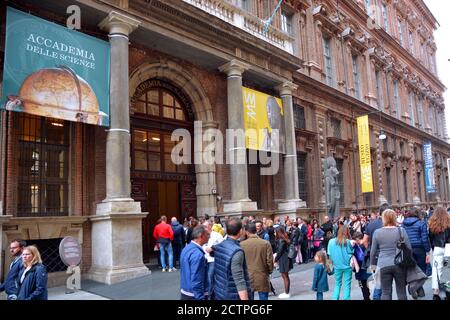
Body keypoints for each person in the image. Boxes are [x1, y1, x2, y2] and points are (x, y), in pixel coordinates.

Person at [370, 209, 410, 300]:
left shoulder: (377, 232)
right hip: (399, 263)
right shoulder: (401, 231)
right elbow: (409, 248)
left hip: (383, 264)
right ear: (394, 218)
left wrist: (373, 267)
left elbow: (373, 252)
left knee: (386, 292)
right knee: (401, 291)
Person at [213, 217, 252, 300]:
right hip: (233, 295)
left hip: (220, 292)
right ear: (241, 231)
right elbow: (239, 280)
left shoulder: (219, 245)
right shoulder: (237, 252)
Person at [362, 202, 390, 300]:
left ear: (379, 212)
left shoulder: (371, 224)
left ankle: (377, 296)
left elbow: (365, 241)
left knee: (377, 281)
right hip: (387, 257)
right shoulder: (389, 224)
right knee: (385, 283)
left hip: (373, 257)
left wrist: (370, 249)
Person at [241, 222, 273, 300]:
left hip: (248, 276)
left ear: (247, 232)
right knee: (263, 297)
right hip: (262, 274)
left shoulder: (241, 245)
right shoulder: (265, 243)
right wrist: (269, 271)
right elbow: (269, 261)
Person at [180, 225, 210, 300]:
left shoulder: (186, 248)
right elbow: (197, 279)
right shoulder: (198, 255)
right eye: (207, 234)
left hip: (185, 291)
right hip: (194, 295)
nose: (209, 236)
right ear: (201, 236)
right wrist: (200, 298)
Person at [428, 206, 450, 300]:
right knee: (447, 270)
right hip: (448, 247)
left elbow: (430, 237)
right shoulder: (449, 222)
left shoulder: (432, 223)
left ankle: (436, 292)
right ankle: (447, 290)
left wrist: (433, 248)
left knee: (436, 270)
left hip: (437, 248)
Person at [327, 225, 354, 300]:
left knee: (337, 284)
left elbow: (330, 255)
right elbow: (351, 253)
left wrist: (329, 266)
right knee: (347, 285)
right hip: (347, 266)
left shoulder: (331, 241)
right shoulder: (347, 241)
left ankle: (335, 298)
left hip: (337, 266)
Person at [401, 207, 431, 274]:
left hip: (407, 248)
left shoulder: (403, 224)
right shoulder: (421, 223)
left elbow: (402, 236)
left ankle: (413, 284)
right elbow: (424, 238)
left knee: (411, 271)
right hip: (420, 248)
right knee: (421, 270)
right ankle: (420, 284)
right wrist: (427, 250)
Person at [202, 220, 224, 299]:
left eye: (205, 226)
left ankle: (210, 296)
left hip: (213, 260)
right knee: (206, 279)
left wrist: (213, 249)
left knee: (210, 279)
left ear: (210, 226)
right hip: (204, 260)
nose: (203, 228)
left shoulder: (217, 235)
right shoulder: (202, 235)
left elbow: (223, 247)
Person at [274, 227, 293, 299]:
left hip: (283, 259)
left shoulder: (281, 240)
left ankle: (286, 293)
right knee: (285, 276)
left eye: (275, 232)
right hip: (285, 258)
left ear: (278, 232)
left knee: (285, 276)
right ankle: (286, 292)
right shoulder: (285, 239)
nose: (274, 233)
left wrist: (275, 259)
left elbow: (280, 251)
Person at [352, 232, 371, 300]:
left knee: (362, 284)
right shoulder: (365, 245)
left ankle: (366, 296)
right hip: (366, 266)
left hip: (359, 268)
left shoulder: (353, 246)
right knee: (367, 282)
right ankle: (367, 294)